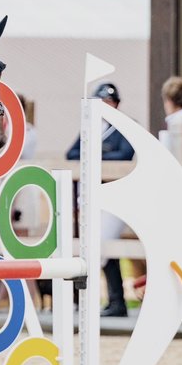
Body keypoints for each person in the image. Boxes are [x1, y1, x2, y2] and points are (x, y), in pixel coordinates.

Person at [66, 81, 134, 317]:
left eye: (110, 102)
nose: (108, 105)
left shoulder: (124, 127)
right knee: (102, 247)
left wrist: (96, 152)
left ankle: (110, 299)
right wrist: (98, 151)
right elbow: (71, 153)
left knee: (102, 246)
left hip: (115, 194)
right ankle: (116, 301)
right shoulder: (91, 127)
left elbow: (125, 154)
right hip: (93, 196)